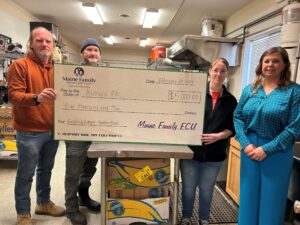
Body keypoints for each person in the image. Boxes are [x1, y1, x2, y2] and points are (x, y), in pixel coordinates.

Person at [234, 46, 300, 225]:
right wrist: (245, 143)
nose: (270, 64)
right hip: (249, 150)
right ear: (261, 65)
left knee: (271, 203)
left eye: (276, 61)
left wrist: (267, 149)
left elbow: (294, 127)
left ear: (284, 65)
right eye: (267, 61)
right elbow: (237, 117)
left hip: (277, 151)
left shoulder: (294, 91)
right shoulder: (251, 89)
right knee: (248, 200)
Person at [7, 27, 65, 225]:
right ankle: (23, 213)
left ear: (53, 45)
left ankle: (43, 203)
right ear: (31, 43)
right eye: (39, 41)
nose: (44, 45)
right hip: (29, 131)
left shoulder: (57, 68)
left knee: (46, 170)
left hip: (52, 129)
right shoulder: (19, 66)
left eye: (48, 41)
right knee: (26, 173)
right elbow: (13, 96)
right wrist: (36, 98)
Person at [180, 58, 237, 225]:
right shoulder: (194, 94)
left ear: (227, 74)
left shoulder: (231, 101)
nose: (219, 74)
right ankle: (186, 217)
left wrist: (219, 136)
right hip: (191, 151)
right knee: (188, 189)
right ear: (210, 71)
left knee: (206, 190)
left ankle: (204, 219)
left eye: (223, 71)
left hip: (215, 154)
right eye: (216, 70)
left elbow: (232, 128)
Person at [65, 38, 101, 225]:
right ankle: (71, 209)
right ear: (82, 53)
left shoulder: (106, 76)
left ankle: (84, 197)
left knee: (89, 168)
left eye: (96, 50)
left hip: (97, 131)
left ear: (100, 54)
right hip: (76, 130)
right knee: (73, 171)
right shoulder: (70, 74)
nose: (92, 53)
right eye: (88, 50)